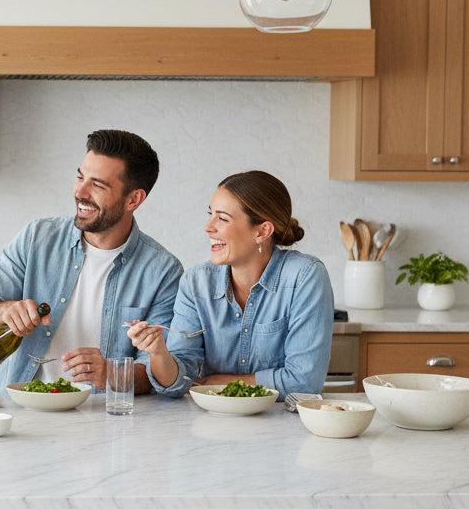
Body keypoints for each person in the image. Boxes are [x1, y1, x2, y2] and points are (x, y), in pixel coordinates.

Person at [0, 129, 183, 394]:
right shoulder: (36, 237)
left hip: (101, 421)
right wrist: (4, 312)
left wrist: (112, 374)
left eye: (98, 185)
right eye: (80, 177)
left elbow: (157, 373)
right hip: (18, 411)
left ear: (133, 199)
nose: (81, 192)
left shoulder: (162, 271)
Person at [127, 170, 334, 399]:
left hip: (283, 426)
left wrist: (218, 382)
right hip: (212, 424)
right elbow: (179, 382)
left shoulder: (304, 277)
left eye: (222, 218)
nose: (208, 227)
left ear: (262, 231)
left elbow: (304, 382)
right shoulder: (196, 283)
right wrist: (158, 352)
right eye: (210, 214)